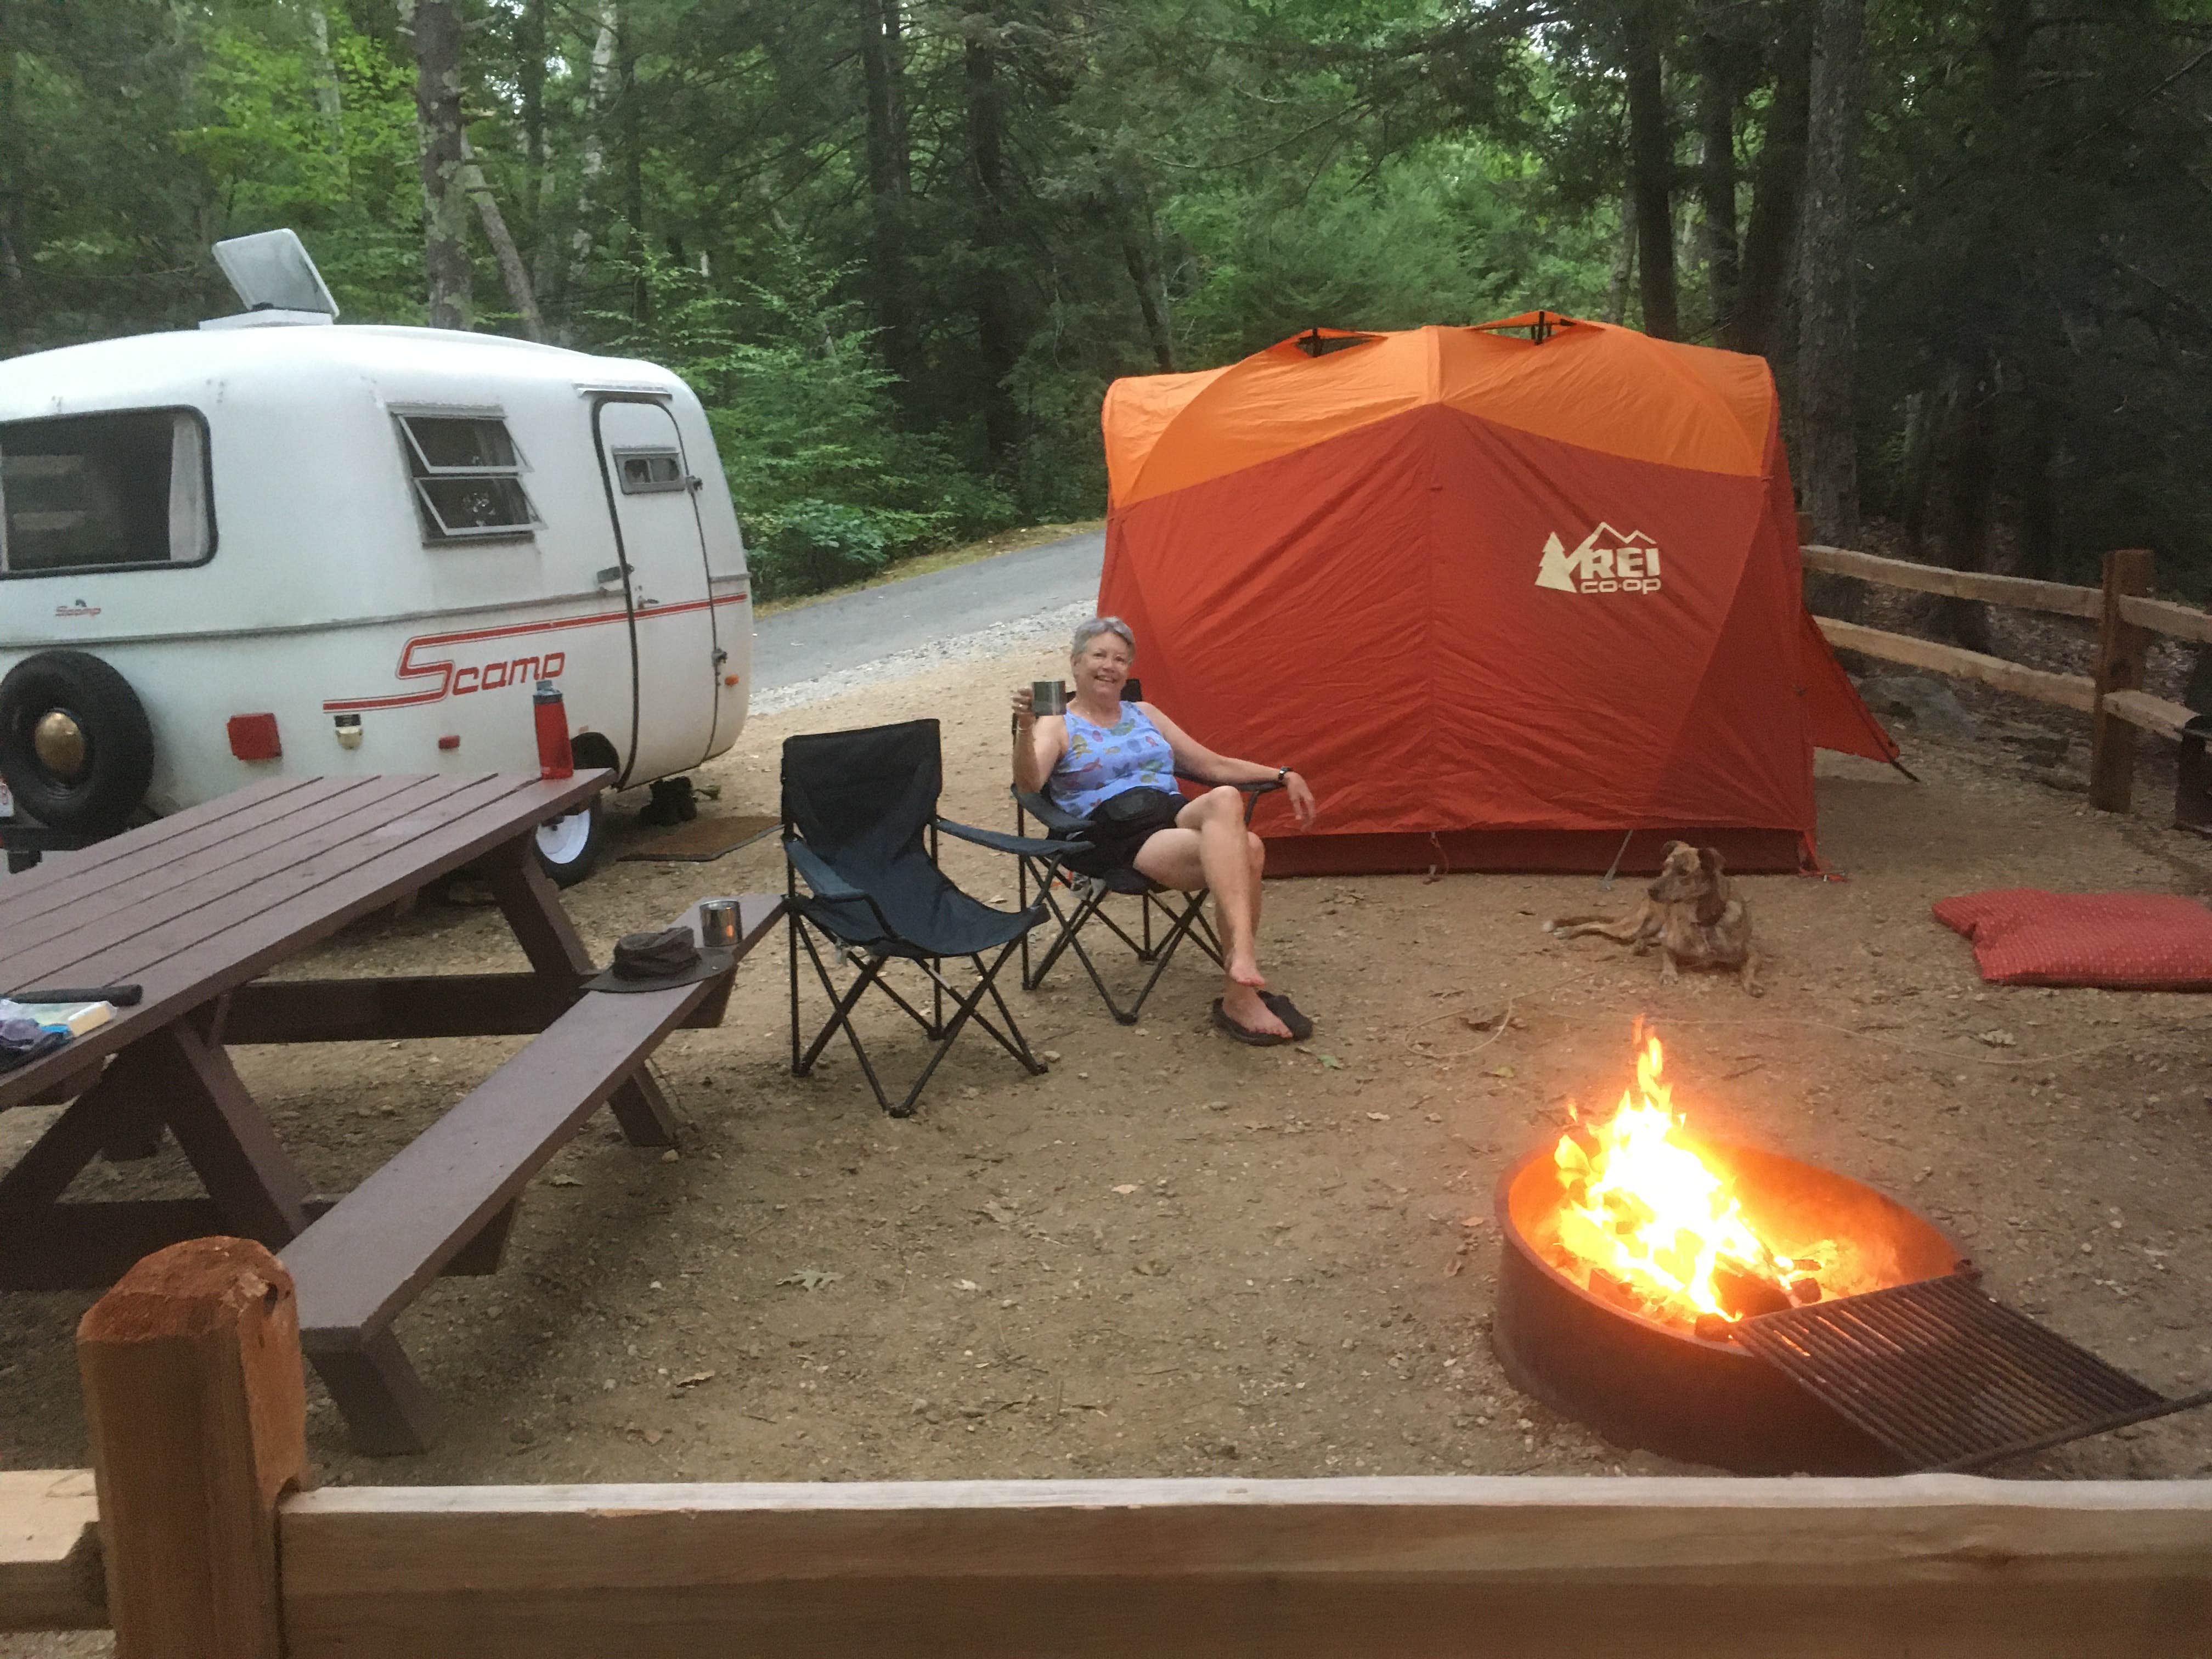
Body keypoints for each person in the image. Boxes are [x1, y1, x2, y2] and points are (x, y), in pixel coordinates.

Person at [1012, 616, 1318, 1043]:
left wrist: (1283, 774)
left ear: (1128, 670)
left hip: (1169, 814)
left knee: (1225, 796)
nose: (1109, 666)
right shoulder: (1056, 722)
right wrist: (1026, 728)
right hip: (1112, 832)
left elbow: (1212, 765)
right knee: (1248, 848)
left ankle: (1241, 965)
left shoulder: (1145, 713)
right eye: (1099, 655)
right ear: (1076, 662)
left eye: (1120, 659)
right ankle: (1241, 987)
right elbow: (1029, 785)